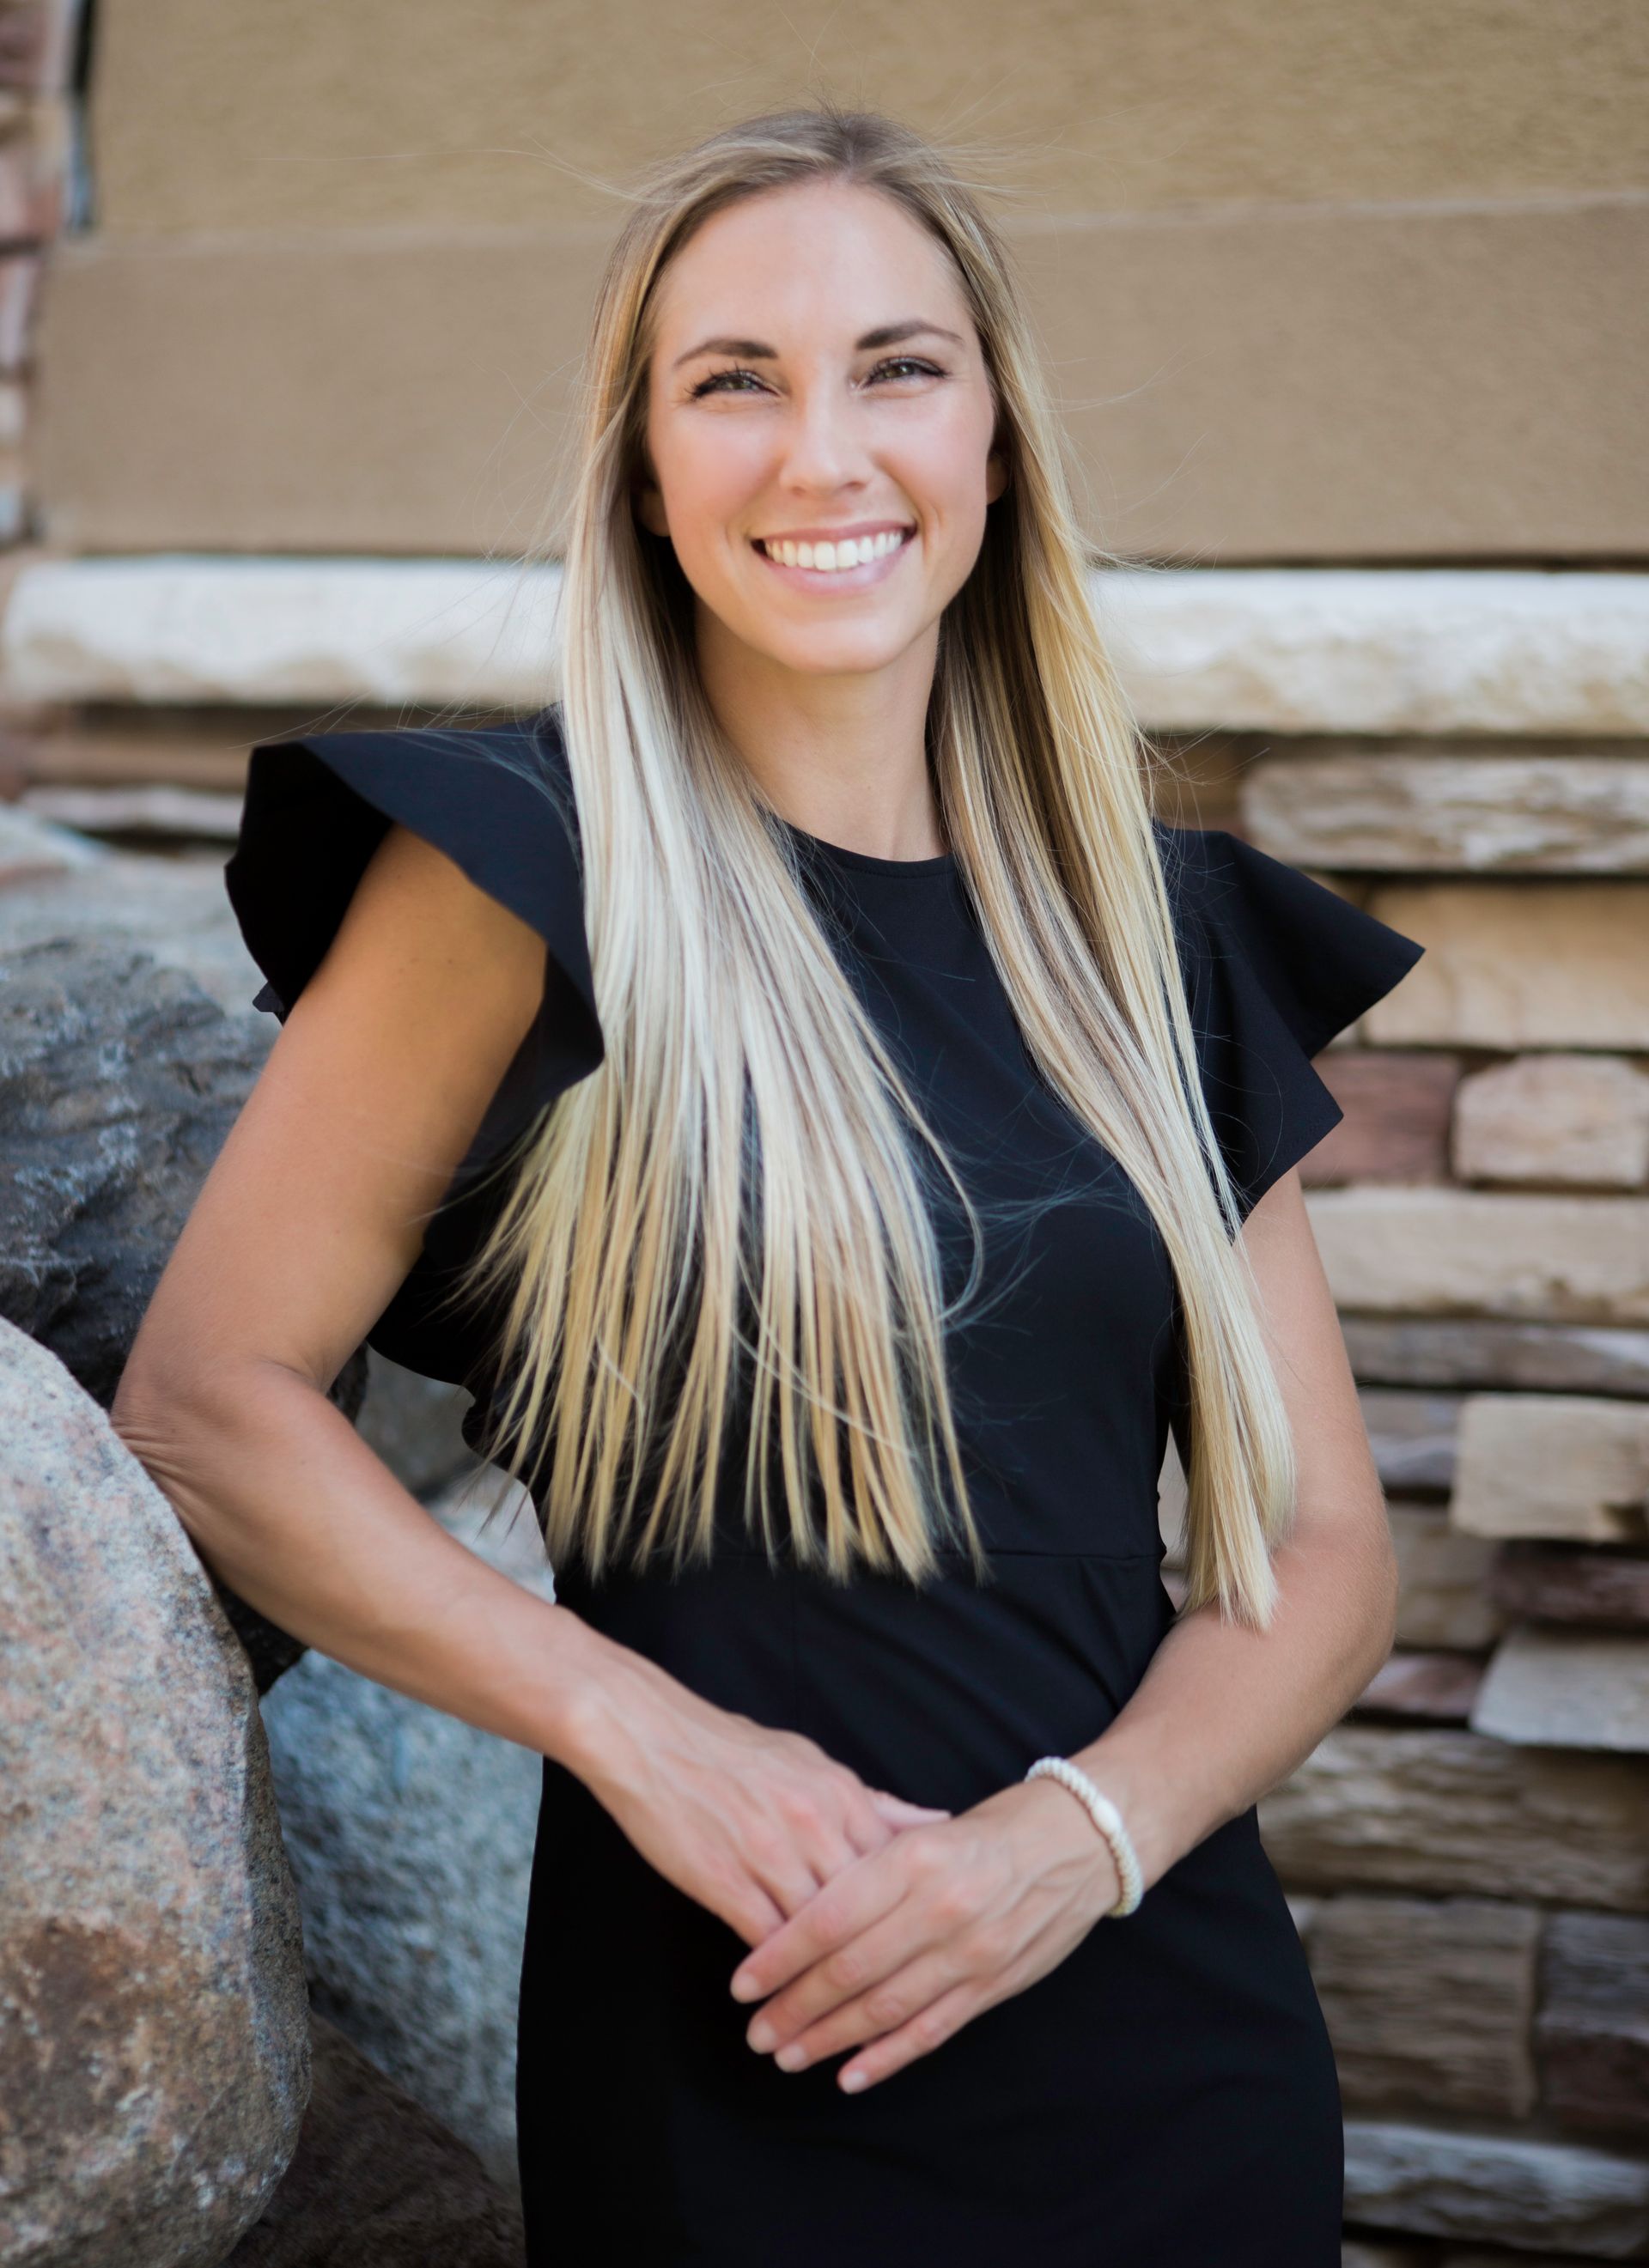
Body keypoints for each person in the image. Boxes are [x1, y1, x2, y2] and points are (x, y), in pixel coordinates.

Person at [114, 101, 1424, 2267]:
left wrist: (1074, 1842)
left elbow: (1322, 1542)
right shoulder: (522, 878)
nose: (826, 454)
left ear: (994, 444)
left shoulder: (1150, 934)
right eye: (737, 382)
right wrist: (641, 1731)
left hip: (1163, 2049)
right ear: (646, 467)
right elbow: (209, 1401)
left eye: (898, 368)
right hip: (738, 2062)